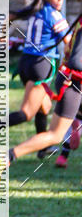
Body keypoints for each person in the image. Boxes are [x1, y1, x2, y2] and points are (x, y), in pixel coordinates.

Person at [9, 17, 82, 167]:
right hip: (73, 81)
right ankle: (8, 156)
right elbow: (76, 62)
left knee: (53, 129)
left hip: (68, 78)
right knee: (55, 134)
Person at [8, 0, 69, 158]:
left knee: (44, 106)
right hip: (40, 65)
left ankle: (43, 149)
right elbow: (69, 44)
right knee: (27, 113)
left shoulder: (35, 12)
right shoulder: (55, 16)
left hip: (26, 63)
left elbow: (11, 16)